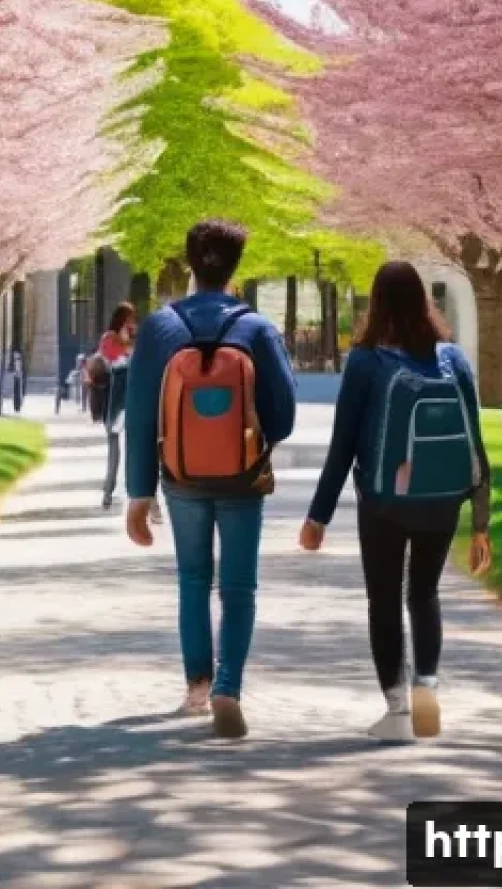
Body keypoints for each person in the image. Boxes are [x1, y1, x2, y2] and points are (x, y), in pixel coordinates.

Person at [299, 261, 493, 743]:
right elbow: (476, 442)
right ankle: (426, 689)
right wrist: (482, 521)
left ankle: (397, 710)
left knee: (383, 600)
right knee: (424, 594)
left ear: (377, 302)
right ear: (424, 300)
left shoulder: (366, 362)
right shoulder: (454, 359)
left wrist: (317, 516)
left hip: (385, 503)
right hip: (443, 500)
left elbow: (343, 444)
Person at [125, 220, 297, 738]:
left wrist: (139, 492)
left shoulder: (159, 328)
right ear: (236, 267)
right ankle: (229, 686)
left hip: (182, 477)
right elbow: (284, 416)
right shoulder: (257, 329)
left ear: (190, 263)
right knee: (239, 587)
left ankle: (197, 686)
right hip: (243, 477)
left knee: (193, 580)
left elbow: (139, 415)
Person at [97, 303, 138, 510]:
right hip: (116, 393)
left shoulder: (132, 339)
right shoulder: (109, 338)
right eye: (130, 318)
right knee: (114, 446)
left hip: (132, 392)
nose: (132, 322)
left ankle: (138, 494)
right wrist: (125, 343)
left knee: (135, 447)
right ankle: (108, 491)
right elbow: (112, 357)